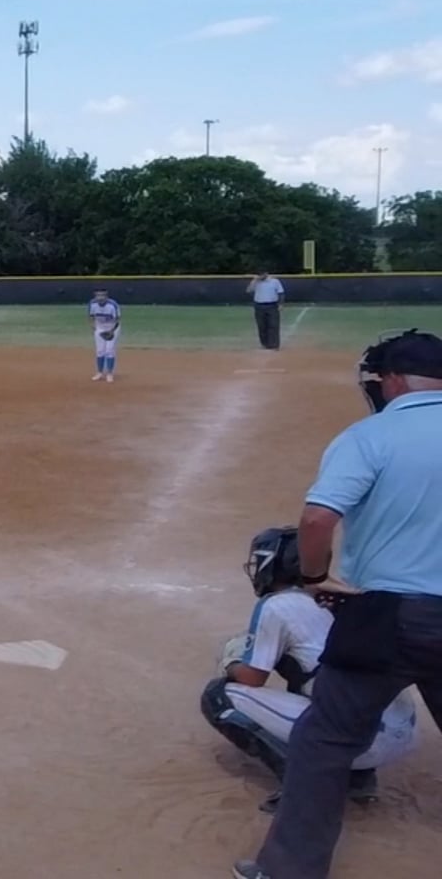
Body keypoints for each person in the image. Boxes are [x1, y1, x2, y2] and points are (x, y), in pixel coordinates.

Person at [233, 328, 442, 879]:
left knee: (324, 740)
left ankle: (290, 870)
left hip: (387, 615)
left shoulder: (371, 435)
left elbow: (318, 518)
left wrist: (315, 576)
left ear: (393, 381)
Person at [201, 527, 419, 815]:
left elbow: (252, 678)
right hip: (401, 727)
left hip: (360, 738)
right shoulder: (337, 594)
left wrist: (230, 661)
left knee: (219, 696)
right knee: (313, 677)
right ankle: (358, 779)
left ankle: (304, 785)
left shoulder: (276, 605)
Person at [88, 288, 121, 382]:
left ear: (106, 296)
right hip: (100, 328)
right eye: (98, 295)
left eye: (103, 295)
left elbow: (117, 320)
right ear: (95, 296)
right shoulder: (92, 304)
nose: (100, 297)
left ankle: (109, 373)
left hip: (112, 328)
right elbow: (91, 316)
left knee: (109, 350)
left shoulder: (113, 305)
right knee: (100, 351)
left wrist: (111, 331)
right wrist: (93, 327)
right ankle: (99, 373)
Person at [248, 271, 286, 351]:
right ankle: (265, 344)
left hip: (272, 305)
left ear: (266, 274)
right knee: (261, 326)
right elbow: (249, 290)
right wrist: (254, 281)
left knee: (273, 325)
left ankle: (274, 344)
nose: (260, 276)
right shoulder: (256, 282)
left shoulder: (275, 281)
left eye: (261, 274)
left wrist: (281, 304)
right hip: (259, 306)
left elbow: (281, 293)